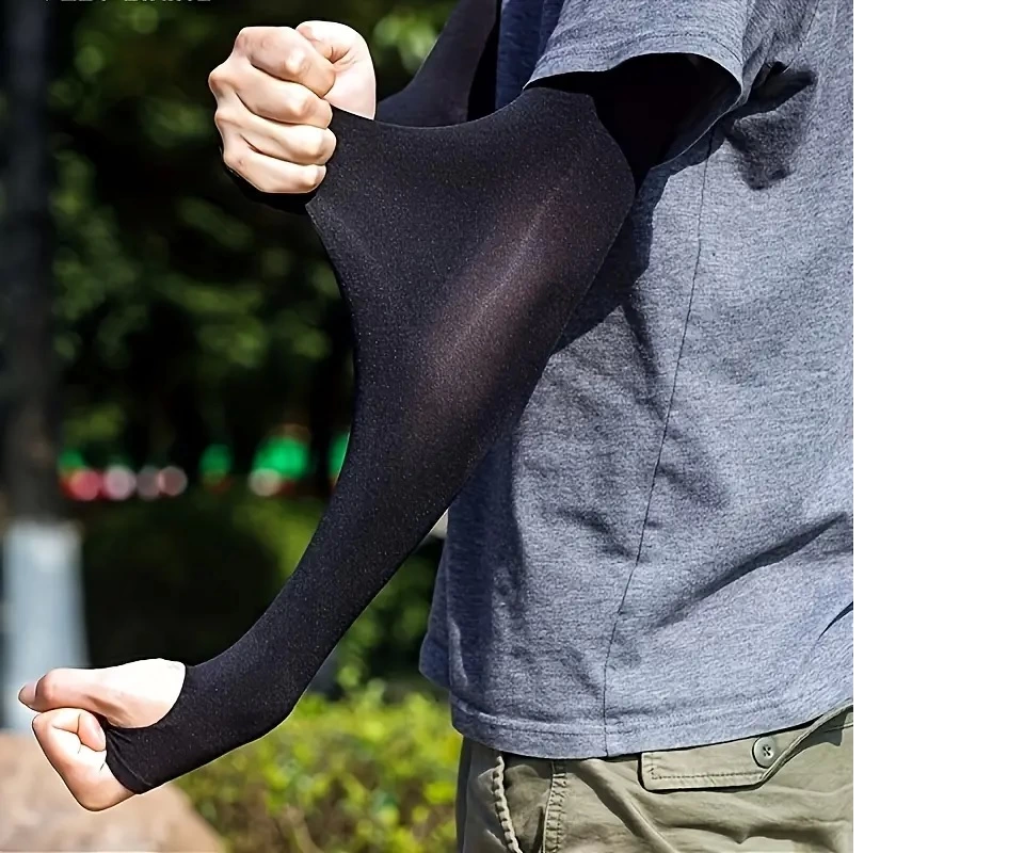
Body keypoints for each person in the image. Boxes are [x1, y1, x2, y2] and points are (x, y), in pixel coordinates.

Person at [21, 0, 852, 850]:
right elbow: (476, 129)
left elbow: (529, 231)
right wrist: (334, 137)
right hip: (736, 693)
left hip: (655, 739)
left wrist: (242, 686)